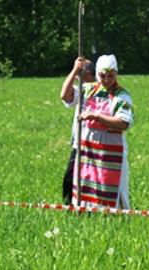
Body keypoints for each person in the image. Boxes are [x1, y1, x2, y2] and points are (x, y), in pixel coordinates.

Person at [71, 55, 133, 209]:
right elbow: (65, 96)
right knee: (87, 183)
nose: (106, 80)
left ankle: (116, 217)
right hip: (89, 149)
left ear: (116, 74)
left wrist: (97, 116)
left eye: (110, 76)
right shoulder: (87, 89)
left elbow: (123, 123)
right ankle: (86, 214)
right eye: (102, 75)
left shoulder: (122, 95)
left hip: (111, 152)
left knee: (111, 186)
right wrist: (74, 71)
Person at [58, 56, 95, 205]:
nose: (78, 78)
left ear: (89, 74)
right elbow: (64, 95)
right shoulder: (80, 91)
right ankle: (70, 206)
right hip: (78, 144)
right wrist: (74, 70)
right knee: (70, 178)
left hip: (95, 143)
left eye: (81, 74)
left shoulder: (99, 90)